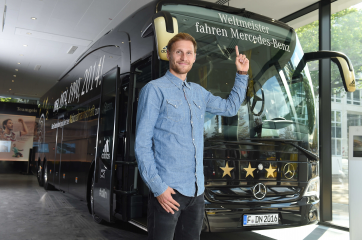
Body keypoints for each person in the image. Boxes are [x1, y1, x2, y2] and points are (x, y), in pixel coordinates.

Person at [135, 33, 249, 240]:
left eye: (189, 53)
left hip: (196, 193)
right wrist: (158, 188)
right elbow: (142, 144)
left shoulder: (199, 92)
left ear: (194, 58)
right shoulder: (154, 90)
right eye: (178, 52)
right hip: (168, 192)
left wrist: (241, 74)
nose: (183, 57)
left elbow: (230, 108)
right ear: (168, 54)